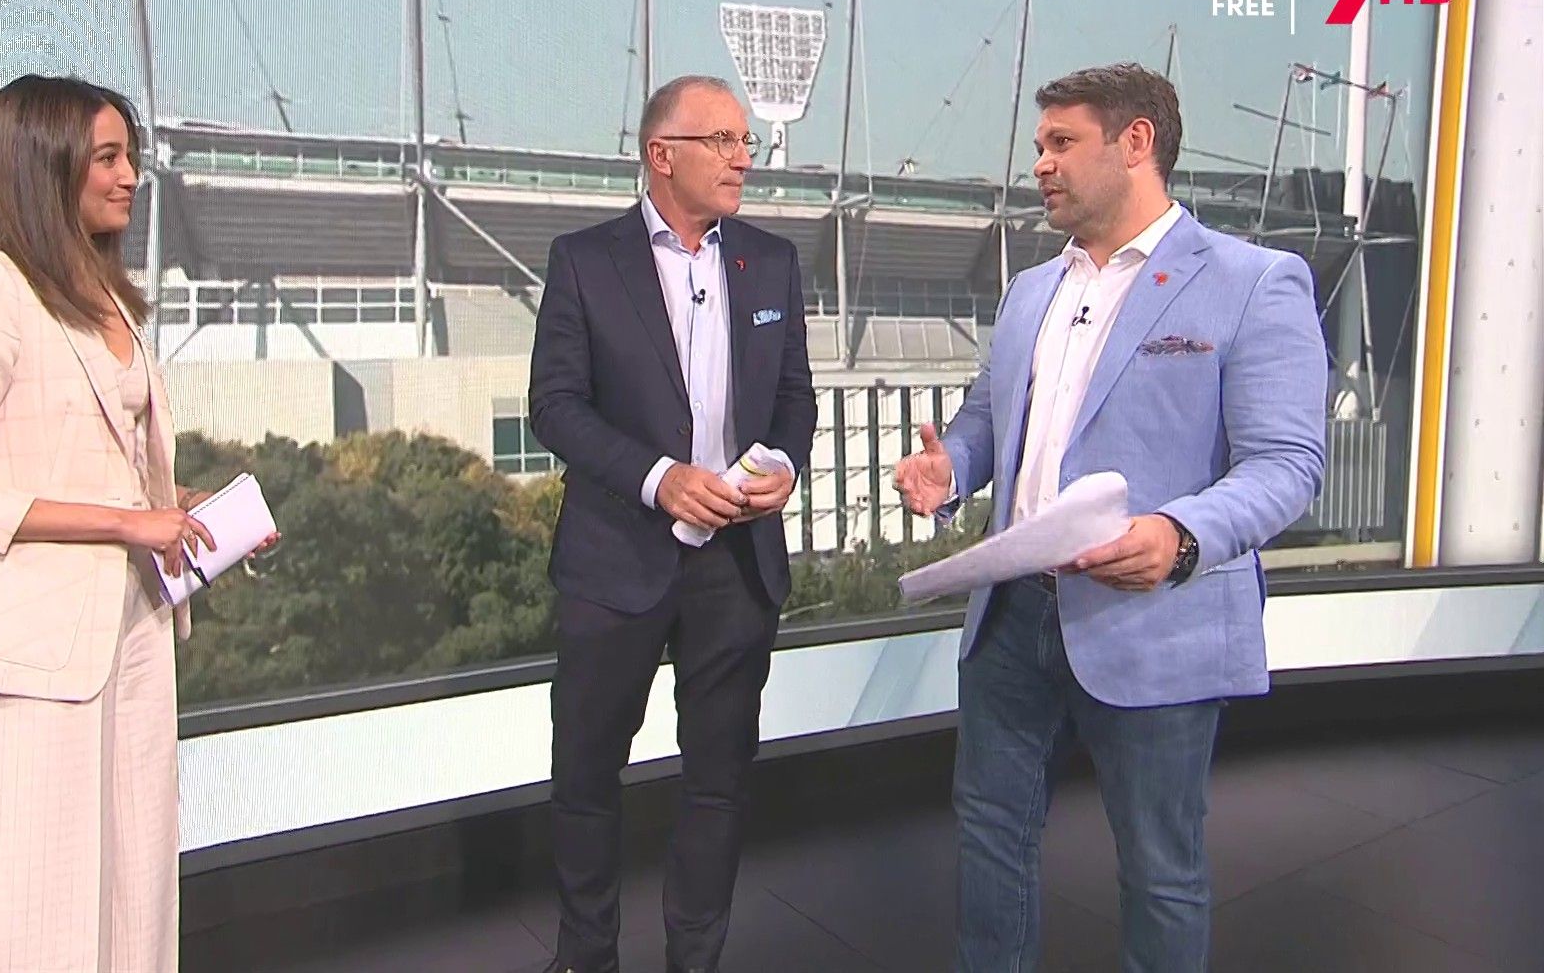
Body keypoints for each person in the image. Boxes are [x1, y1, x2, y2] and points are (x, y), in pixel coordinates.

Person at [892, 62, 1327, 972]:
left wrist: (1181, 536)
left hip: (1154, 618)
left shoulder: (1253, 282)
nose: (1040, 164)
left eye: (1062, 142)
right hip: (1012, 618)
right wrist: (951, 467)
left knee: (1161, 872)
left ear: (1136, 143)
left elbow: (1287, 464)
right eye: (1039, 146)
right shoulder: (1030, 291)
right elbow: (987, 422)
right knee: (990, 839)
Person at [0, 74, 273, 972]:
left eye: (129, 156)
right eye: (107, 157)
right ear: (44, 165)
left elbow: (104, 467)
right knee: (41, 901)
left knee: (137, 887)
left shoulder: (104, 294)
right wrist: (124, 525)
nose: (130, 176)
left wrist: (183, 512)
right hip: (38, 648)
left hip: (136, 629)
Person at [528, 74, 818, 973]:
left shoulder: (772, 261)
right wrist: (659, 481)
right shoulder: (585, 260)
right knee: (587, 775)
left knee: (718, 778)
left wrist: (783, 463)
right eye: (722, 141)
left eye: (744, 141)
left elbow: (795, 396)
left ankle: (695, 959)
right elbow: (556, 407)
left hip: (737, 565)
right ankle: (587, 956)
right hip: (615, 560)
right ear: (662, 155)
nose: (743, 159)